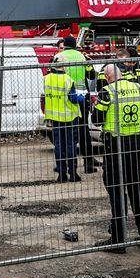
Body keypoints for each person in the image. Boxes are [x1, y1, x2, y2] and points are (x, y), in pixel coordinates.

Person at [91, 63, 140, 247]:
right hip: (135, 145)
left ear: (109, 77)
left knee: (116, 192)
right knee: (136, 189)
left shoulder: (107, 92)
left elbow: (97, 119)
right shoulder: (139, 89)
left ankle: (118, 239)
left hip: (115, 146)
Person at [53, 35, 100, 174]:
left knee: (65, 134)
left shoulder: (59, 57)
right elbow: (91, 76)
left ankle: (64, 165)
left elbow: (52, 74)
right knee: (83, 130)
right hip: (81, 98)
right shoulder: (82, 57)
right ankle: (88, 164)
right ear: (75, 45)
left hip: (64, 99)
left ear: (65, 45)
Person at [40, 57, 85, 181]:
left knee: (59, 146)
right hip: (69, 117)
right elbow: (73, 98)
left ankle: (61, 174)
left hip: (54, 117)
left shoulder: (47, 79)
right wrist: (82, 97)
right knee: (70, 145)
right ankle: (73, 173)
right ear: (65, 66)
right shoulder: (67, 80)